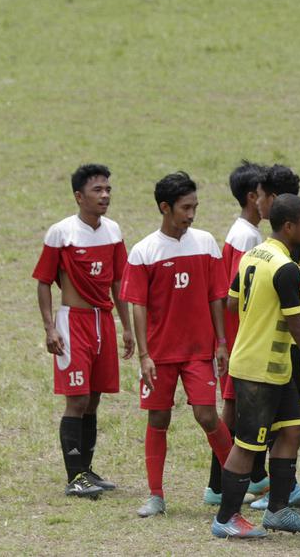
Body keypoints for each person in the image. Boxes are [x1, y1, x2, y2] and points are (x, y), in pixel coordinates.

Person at [212, 194, 300, 539]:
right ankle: (226, 517)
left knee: (294, 428)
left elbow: (234, 301)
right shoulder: (284, 269)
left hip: (274, 366)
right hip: (258, 370)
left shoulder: (254, 254)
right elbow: (298, 326)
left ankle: (278, 510)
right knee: (248, 445)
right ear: (289, 226)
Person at [120, 172, 232, 517]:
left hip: (199, 350)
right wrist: (144, 355)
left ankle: (237, 480)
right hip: (160, 354)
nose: (192, 214)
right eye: (185, 207)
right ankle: (156, 495)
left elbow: (217, 296)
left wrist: (221, 342)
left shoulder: (205, 242)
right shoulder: (144, 251)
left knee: (207, 415)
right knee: (158, 417)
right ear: (165, 208)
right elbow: (136, 305)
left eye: (195, 206)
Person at [32, 164, 133, 498]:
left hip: (102, 322)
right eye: (97, 190)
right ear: (79, 196)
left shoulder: (114, 231)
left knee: (94, 400)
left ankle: (86, 470)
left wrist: (126, 327)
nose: (104, 196)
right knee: (76, 400)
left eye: (107, 189)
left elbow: (120, 283)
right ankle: (74, 476)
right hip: (72, 323)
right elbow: (44, 282)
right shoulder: (61, 233)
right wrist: (50, 328)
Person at [249, 164, 300, 511]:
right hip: (291, 340)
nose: (258, 202)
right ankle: (297, 489)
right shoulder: (282, 247)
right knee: (297, 418)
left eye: (261, 195)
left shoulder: (296, 247)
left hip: (295, 341)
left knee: (299, 418)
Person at [207, 160, 266, 506]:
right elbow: (240, 292)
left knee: (234, 409)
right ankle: (222, 484)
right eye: (265, 193)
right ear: (251, 196)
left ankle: (227, 482)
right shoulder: (246, 236)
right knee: (234, 410)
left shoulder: (245, 231)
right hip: (241, 338)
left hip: (238, 337)